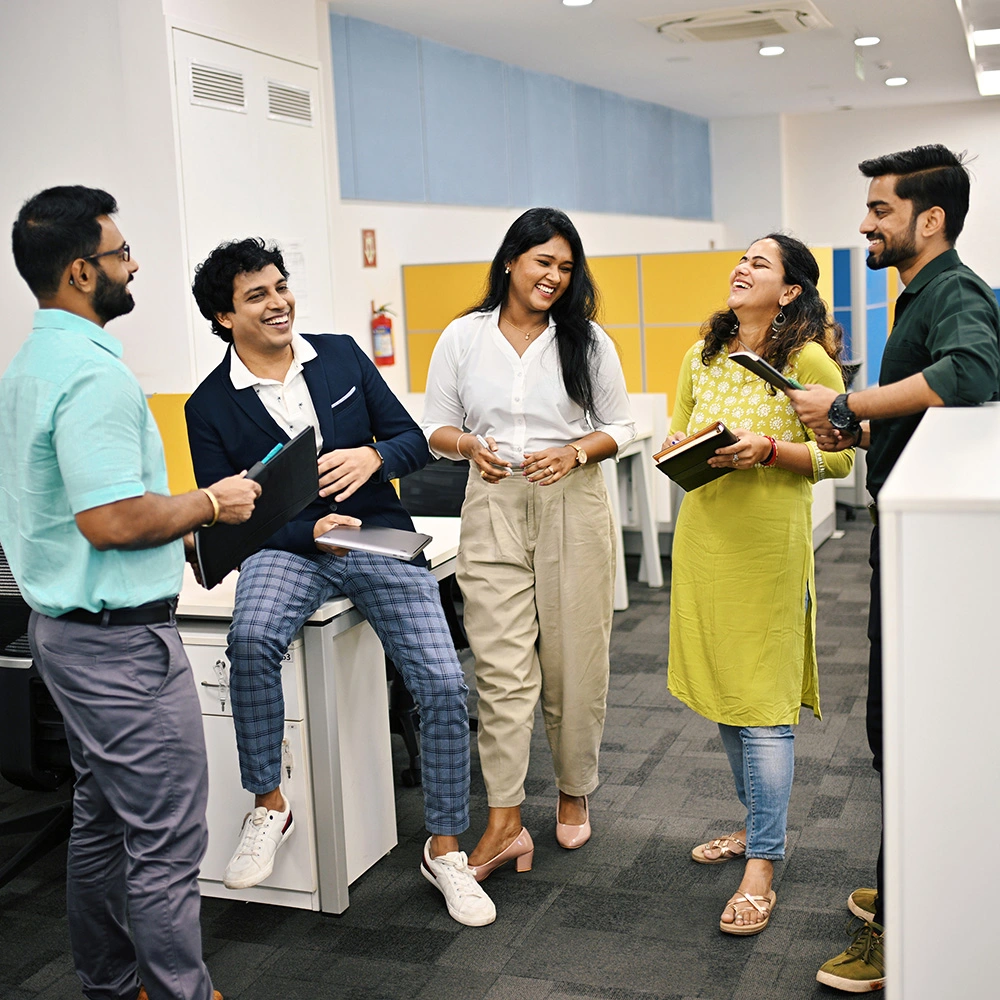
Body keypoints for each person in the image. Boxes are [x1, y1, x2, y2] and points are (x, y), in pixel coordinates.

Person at [184, 238, 495, 927]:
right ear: (223, 317)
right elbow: (229, 517)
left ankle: (445, 847)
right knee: (254, 635)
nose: (278, 302)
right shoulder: (208, 406)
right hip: (284, 550)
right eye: (256, 295)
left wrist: (373, 455)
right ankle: (269, 802)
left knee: (443, 682)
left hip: (377, 535)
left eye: (281, 286)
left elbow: (412, 440)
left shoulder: (343, 356)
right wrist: (309, 531)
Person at [0, 186, 261, 1000]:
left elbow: (73, 506)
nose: (133, 262)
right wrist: (211, 502)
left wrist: (179, 517)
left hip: (67, 632)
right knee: (165, 839)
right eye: (119, 253)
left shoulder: (31, 365)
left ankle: (112, 985)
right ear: (81, 272)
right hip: (119, 648)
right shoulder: (93, 377)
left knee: (105, 822)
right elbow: (111, 520)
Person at [788, 145, 1000, 993]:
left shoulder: (954, 293)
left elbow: (975, 373)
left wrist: (845, 403)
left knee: (905, 733)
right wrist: (868, 431)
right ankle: (907, 878)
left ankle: (902, 933)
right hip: (904, 534)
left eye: (880, 210)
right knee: (891, 730)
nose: (866, 223)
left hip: (928, 554)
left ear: (929, 220)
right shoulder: (923, 294)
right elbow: (933, 420)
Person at [420, 207, 635, 878]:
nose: (554, 277)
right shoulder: (462, 336)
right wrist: (467, 447)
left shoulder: (588, 340)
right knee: (501, 668)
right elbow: (436, 427)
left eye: (566, 268)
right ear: (511, 260)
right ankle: (506, 818)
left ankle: (574, 792)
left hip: (572, 501)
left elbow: (622, 427)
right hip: (493, 503)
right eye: (544, 261)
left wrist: (574, 453)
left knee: (574, 660)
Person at [665, 234, 854, 937]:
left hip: (767, 549)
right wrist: (677, 450)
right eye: (741, 259)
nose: (743, 268)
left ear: (792, 290)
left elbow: (842, 455)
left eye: (761, 263)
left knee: (766, 708)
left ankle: (764, 863)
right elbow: (678, 430)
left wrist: (769, 451)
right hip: (706, 539)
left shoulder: (806, 360)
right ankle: (757, 827)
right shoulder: (701, 354)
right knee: (726, 697)